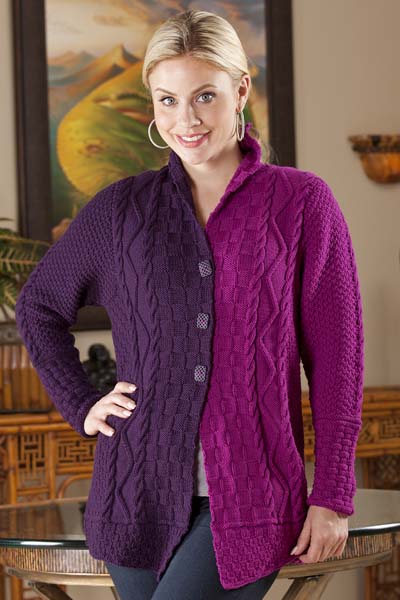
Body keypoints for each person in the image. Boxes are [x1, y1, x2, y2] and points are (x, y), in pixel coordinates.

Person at [14, 9, 364, 600]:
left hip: (251, 500)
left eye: (204, 96)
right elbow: (39, 307)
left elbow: (338, 361)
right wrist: (84, 402)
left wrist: (332, 495)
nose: (186, 120)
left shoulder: (302, 203)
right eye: (167, 100)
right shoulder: (122, 210)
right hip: (135, 497)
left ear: (241, 90)